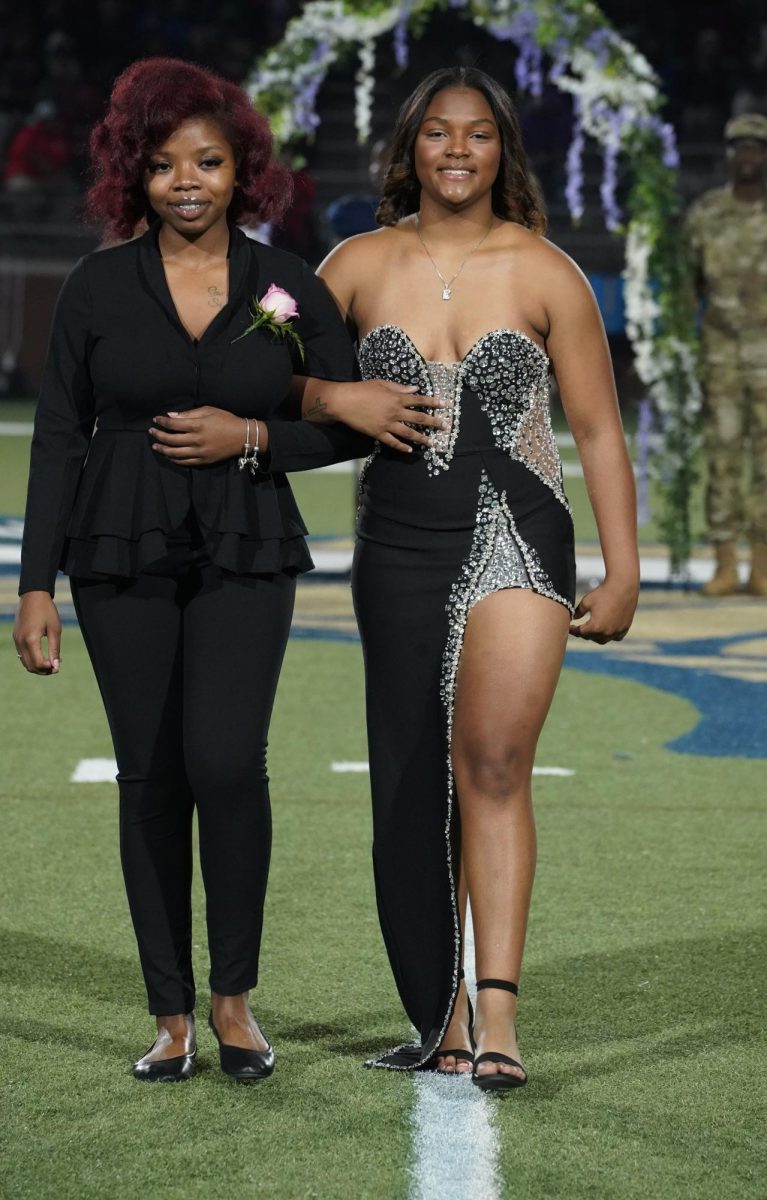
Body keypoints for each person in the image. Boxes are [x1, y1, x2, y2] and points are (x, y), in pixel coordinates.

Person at [149, 67, 639, 1092]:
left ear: (501, 150)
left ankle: (497, 1013)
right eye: (437, 135)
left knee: (495, 765)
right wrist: (332, 391)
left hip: (520, 533)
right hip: (399, 544)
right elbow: (256, 346)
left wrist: (622, 567)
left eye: (477, 136)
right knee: (413, 783)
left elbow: (595, 428)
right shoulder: (349, 264)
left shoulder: (549, 271)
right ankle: (442, 1016)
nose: (457, 152)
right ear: (408, 148)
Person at [11, 57, 400, 1084]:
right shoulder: (97, 285)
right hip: (115, 549)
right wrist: (35, 585)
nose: (186, 181)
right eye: (163, 163)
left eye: (208, 162)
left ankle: (234, 1000)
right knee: (150, 778)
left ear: (243, 171)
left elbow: (357, 419)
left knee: (226, 763)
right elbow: (57, 437)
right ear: (132, 175)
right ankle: (171, 1015)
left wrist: (256, 437)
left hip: (246, 543)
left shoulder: (285, 284)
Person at [684, 113, 767, 598]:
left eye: (757, 148)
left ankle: (763, 565)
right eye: (740, 148)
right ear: (730, 156)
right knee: (724, 460)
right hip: (721, 357)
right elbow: (687, 290)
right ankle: (726, 563)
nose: (748, 157)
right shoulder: (705, 213)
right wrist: (686, 354)